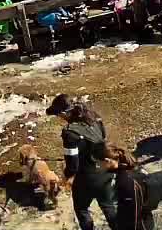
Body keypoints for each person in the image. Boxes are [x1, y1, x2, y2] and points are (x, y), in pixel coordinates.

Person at [47, 95, 117, 230]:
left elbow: (72, 163)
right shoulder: (95, 117)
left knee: (82, 209)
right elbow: (103, 140)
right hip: (105, 172)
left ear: (63, 113)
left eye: (58, 115)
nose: (59, 118)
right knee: (108, 206)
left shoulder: (69, 133)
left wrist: (68, 176)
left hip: (85, 178)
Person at [101, 144, 157, 230]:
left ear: (107, 160)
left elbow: (134, 214)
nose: (98, 165)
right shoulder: (130, 168)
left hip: (139, 226)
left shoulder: (125, 181)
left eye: (99, 162)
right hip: (145, 219)